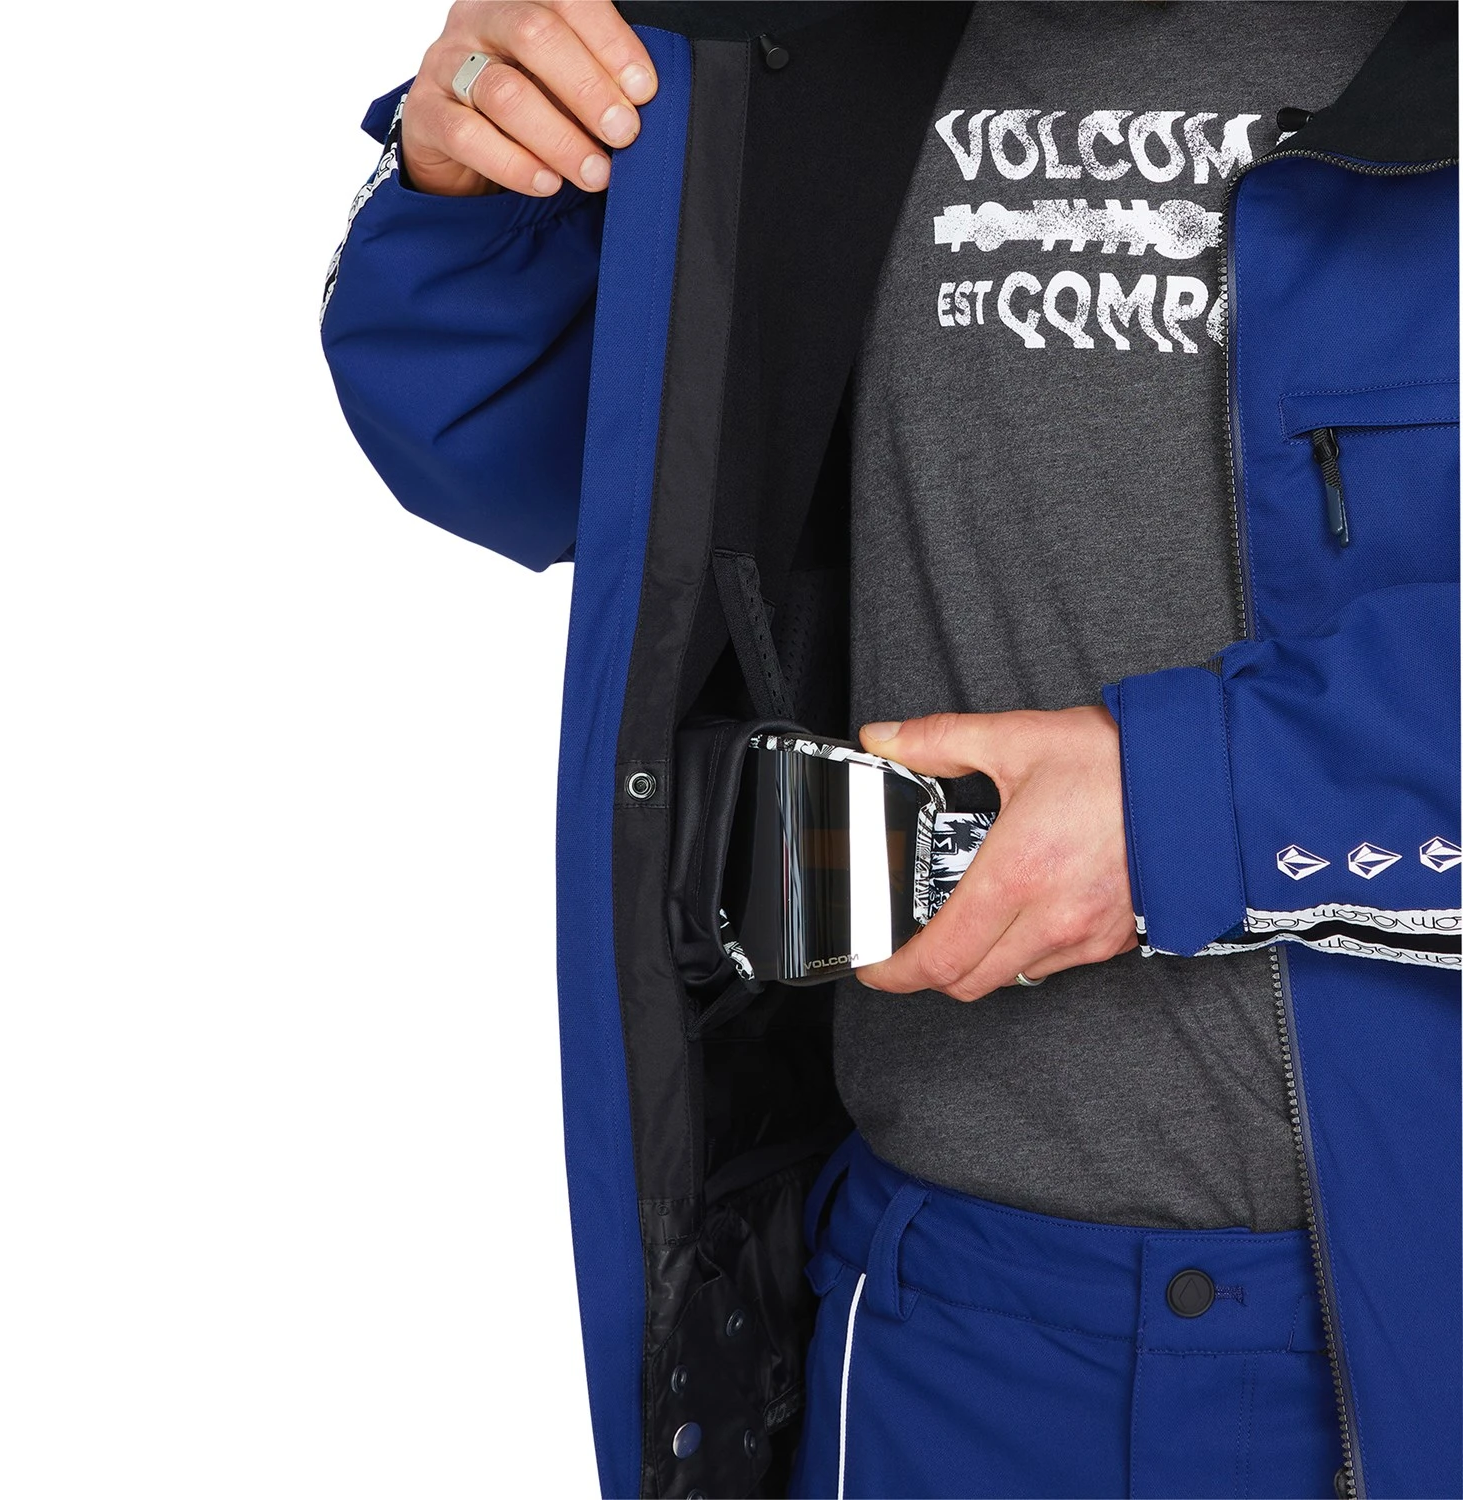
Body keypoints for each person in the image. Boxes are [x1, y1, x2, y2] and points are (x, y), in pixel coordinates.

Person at [321, 4, 1460, 1495]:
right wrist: (470, 173)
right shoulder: (787, 36)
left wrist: (1188, 800)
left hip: (1409, 1327)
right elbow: (511, 447)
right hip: (929, 1320)